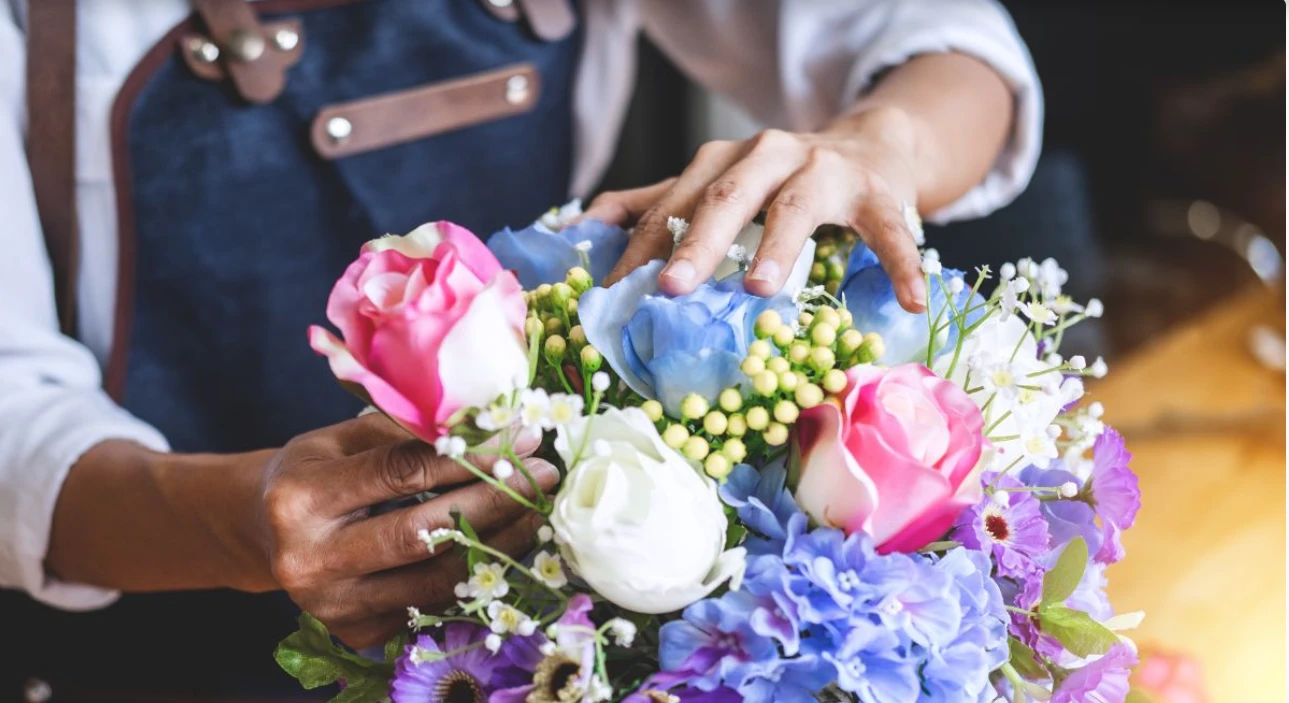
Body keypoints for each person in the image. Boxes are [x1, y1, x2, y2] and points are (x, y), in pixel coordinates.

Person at [0, 0, 1040, 698]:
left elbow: (945, 44)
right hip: (147, 638)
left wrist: (873, 144)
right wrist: (237, 523)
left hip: (541, 637)